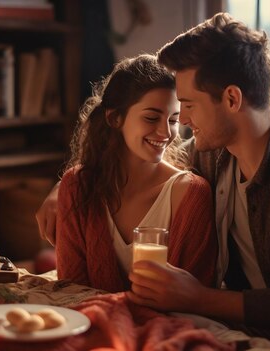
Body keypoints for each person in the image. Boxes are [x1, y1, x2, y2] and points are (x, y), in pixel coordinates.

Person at [36, 14, 270, 350]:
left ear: (232, 99)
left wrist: (202, 299)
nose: (180, 122)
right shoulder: (211, 152)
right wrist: (64, 188)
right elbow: (138, 163)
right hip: (253, 318)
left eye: (188, 105)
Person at [50, 54, 217, 293]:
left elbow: (190, 299)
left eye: (173, 120)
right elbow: (71, 290)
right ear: (115, 117)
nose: (165, 132)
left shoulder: (190, 194)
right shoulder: (77, 187)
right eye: (151, 117)